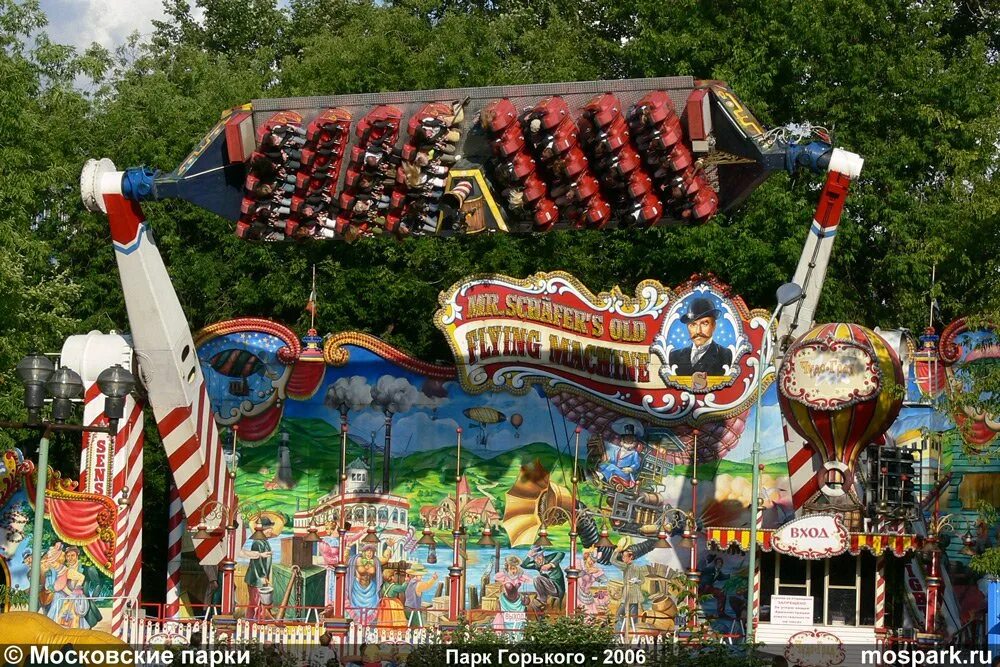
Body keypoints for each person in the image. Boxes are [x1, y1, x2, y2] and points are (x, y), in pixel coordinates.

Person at [667, 297, 733, 383]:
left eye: (704, 323)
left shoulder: (726, 355)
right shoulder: (674, 356)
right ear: (688, 327)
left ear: (714, 326)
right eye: (693, 324)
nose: (698, 331)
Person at [610, 544, 649, 633]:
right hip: (632, 597)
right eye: (623, 556)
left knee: (621, 615)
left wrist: (616, 551)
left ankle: (621, 634)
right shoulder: (630, 566)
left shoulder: (628, 567)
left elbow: (642, 580)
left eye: (624, 557)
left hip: (630, 596)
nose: (623, 559)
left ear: (630, 557)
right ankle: (624, 634)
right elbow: (642, 581)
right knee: (630, 617)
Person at [242, 517, 275, 620]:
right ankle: (254, 622)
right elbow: (256, 562)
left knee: (256, 602)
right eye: (269, 528)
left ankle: (253, 621)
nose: (271, 530)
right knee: (255, 602)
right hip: (255, 579)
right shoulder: (258, 542)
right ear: (264, 529)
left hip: (259, 578)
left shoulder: (264, 541)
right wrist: (262, 576)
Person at [493, 556, 532, 632]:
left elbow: (530, 580)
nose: (513, 570)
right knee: (505, 620)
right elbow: (496, 577)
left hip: (517, 601)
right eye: (511, 568)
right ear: (508, 567)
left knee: (518, 621)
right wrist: (506, 572)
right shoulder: (504, 576)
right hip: (506, 601)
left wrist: (521, 573)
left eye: (515, 568)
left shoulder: (519, 576)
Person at [403, 562, 438, 627]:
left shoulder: (410, 582)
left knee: (411, 627)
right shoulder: (419, 584)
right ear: (416, 575)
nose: (422, 577)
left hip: (407, 608)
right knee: (418, 628)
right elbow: (427, 585)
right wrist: (433, 579)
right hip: (414, 610)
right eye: (421, 575)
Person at [375, 563, 408, 629]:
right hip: (392, 603)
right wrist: (406, 582)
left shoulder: (384, 585)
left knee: (385, 617)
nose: (395, 577)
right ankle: (395, 629)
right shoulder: (394, 587)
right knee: (394, 616)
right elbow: (402, 588)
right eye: (394, 575)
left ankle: (384, 629)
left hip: (384, 603)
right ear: (392, 577)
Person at [577, 549, 608, 615]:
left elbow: (605, 580)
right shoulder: (580, 563)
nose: (591, 563)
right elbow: (577, 575)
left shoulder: (594, 568)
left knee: (592, 614)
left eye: (594, 562)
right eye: (590, 560)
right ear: (587, 557)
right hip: (578, 594)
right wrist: (587, 572)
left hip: (587, 595)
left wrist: (597, 572)